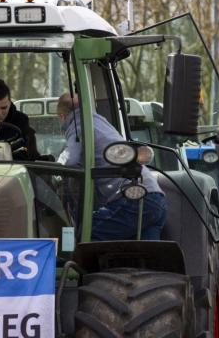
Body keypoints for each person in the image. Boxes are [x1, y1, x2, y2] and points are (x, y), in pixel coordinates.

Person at [55, 92, 167, 241]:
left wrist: (54, 172)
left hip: (132, 201)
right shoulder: (99, 121)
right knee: (146, 258)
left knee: (81, 236)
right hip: (155, 199)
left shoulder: (77, 124)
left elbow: (71, 161)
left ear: (62, 116)